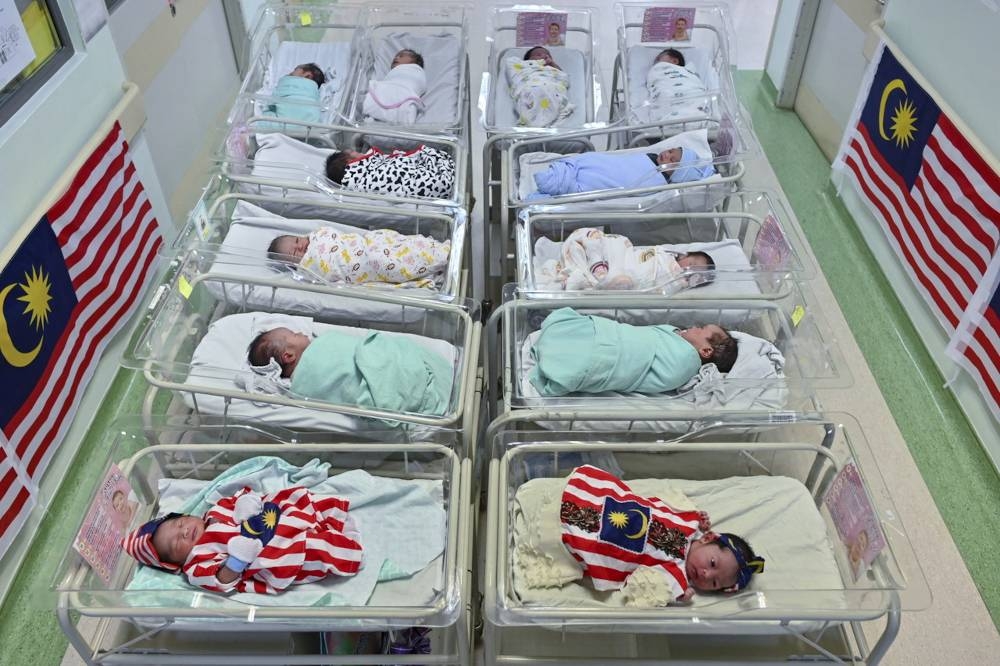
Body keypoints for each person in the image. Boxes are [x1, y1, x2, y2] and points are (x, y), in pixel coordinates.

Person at [561, 464, 764, 604]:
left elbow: (642, 589)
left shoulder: (678, 579)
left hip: (605, 545)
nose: (705, 574)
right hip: (619, 507)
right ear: (708, 538)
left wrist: (674, 597)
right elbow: (666, 501)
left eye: (714, 583)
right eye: (712, 563)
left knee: (585, 540)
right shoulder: (689, 522)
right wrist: (695, 515)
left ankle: (572, 531)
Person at [121, 486, 363, 594]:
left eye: (180, 524)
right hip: (267, 552)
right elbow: (220, 580)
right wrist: (237, 561)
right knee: (308, 550)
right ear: (176, 563)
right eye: (177, 543)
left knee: (296, 499)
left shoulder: (214, 512)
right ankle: (348, 551)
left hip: (272, 519)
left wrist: (245, 504)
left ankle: (331, 521)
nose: (184, 532)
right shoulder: (196, 563)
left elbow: (240, 497)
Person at [247, 326, 452, 421]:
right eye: (293, 334)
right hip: (383, 378)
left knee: (384, 356)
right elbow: (343, 383)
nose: (300, 332)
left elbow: (352, 350)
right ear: (288, 356)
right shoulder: (305, 380)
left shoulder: (299, 387)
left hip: (381, 365)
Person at [529, 307, 738, 396]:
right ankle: (557, 344)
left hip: (615, 357)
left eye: (701, 330)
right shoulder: (675, 338)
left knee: (581, 354)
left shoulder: (683, 361)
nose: (694, 327)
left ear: (706, 350)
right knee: (579, 329)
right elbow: (639, 335)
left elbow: (640, 357)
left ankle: (558, 354)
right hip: (616, 337)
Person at [536, 226, 715, 291]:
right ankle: (596, 260)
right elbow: (637, 254)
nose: (687, 270)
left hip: (629, 272)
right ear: (684, 255)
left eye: (694, 274)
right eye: (690, 264)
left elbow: (660, 287)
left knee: (623, 279)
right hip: (624, 256)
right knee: (602, 238)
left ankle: (598, 272)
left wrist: (682, 281)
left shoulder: (676, 281)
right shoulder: (664, 253)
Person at [267, 227, 451, 289]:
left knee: (396, 244)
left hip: (367, 245)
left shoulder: (319, 234)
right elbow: (329, 277)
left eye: (297, 241)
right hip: (364, 263)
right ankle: (438, 259)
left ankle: (437, 252)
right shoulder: (309, 269)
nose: (300, 247)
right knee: (386, 262)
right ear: (293, 266)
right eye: (294, 253)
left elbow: (339, 236)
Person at [529, 145, 715, 200]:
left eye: (673, 160)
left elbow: (624, 181)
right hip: (596, 165)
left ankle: (561, 182)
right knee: (591, 160)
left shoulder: (656, 183)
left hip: (595, 181)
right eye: (671, 150)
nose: (667, 154)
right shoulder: (647, 156)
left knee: (588, 180)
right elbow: (615, 163)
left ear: (677, 176)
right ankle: (565, 174)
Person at [324, 144, 455, 200]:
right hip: (439, 182)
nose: (359, 152)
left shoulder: (369, 167)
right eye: (354, 152)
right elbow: (394, 175)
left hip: (433, 177)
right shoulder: (363, 178)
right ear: (349, 162)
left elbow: (393, 163)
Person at [504, 46, 574, 127]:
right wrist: (539, 62)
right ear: (527, 60)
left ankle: (543, 125)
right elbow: (509, 62)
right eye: (539, 54)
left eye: (548, 56)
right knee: (535, 93)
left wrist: (553, 65)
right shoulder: (524, 69)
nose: (545, 56)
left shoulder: (553, 70)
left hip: (552, 90)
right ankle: (535, 124)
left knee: (552, 97)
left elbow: (564, 80)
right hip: (530, 89)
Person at [644, 48, 709, 122]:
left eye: (658, 59)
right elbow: (655, 83)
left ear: (675, 61)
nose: (655, 63)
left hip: (688, 92)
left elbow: (695, 84)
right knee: (665, 95)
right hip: (667, 95)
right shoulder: (658, 71)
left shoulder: (688, 72)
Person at [363, 49, 426, 124]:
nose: (396, 58)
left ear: (416, 62)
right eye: (396, 56)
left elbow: (418, 83)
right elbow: (391, 82)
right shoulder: (394, 73)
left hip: (406, 96)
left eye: (401, 56)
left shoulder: (416, 72)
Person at [260, 63, 326, 127]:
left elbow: (269, 107)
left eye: (295, 70)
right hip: (308, 133)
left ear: (307, 75)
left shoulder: (289, 86)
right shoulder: (313, 95)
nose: (290, 73)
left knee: (266, 121)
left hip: (280, 128)